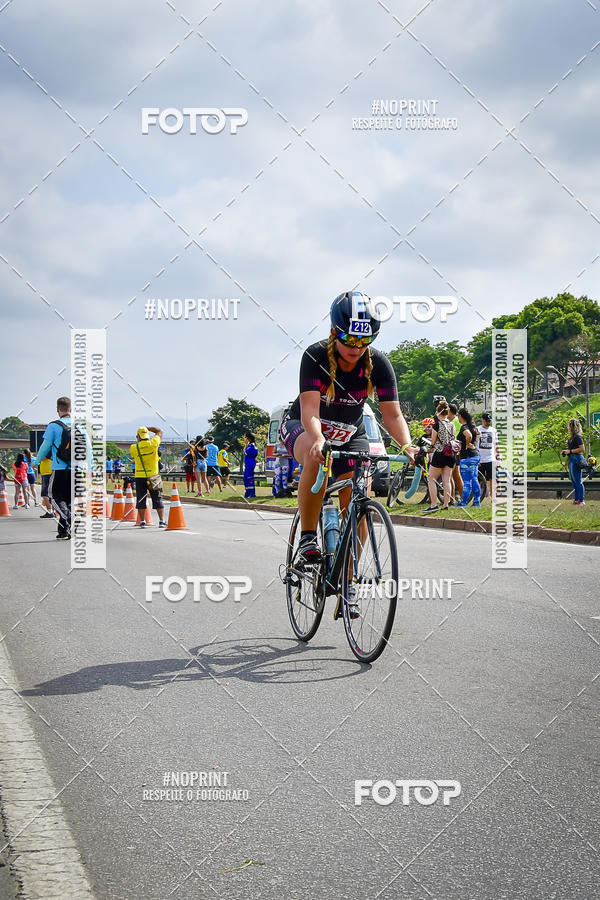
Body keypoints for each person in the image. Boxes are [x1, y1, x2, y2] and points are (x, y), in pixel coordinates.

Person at [279, 290, 415, 583]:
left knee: (358, 498)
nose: (357, 347)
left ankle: (348, 578)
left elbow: (392, 415)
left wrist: (408, 445)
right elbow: (310, 412)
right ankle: (306, 538)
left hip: (351, 433)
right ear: (333, 332)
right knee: (318, 459)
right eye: (350, 339)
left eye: (365, 341)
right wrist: (317, 438)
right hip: (305, 427)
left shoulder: (378, 363)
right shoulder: (315, 356)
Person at [34, 396, 73, 538]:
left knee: (54, 497)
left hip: (60, 468)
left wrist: (37, 461)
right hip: (77, 469)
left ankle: (69, 517)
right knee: (68, 500)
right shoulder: (80, 426)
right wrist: (91, 468)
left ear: (58, 409)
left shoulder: (54, 425)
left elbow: (45, 446)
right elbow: (88, 448)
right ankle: (63, 530)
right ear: (71, 409)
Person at [130, 426, 166, 526]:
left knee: (141, 498)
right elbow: (160, 431)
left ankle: (142, 521)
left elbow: (133, 456)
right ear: (147, 435)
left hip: (139, 476)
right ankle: (161, 521)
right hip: (153, 476)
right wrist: (148, 428)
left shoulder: (134, 447)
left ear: (138, 436)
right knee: (157, 498)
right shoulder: (153, 443)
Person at [425, 400, 456, 513]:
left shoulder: (436, 425)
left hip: (439, 453)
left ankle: (433, 504)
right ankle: (446, 503)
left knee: (431, 479)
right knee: (446, 479)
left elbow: (433, 442)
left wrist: (430, 445)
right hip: (450, 454)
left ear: (438, 412)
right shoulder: (451, 425)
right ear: (447, 412)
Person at [455, 408, 481, 507]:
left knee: (467, 481)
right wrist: (474, 444)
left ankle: (463, 502)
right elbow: (478, 435)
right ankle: (476, 502)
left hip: (467, 457)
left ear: (461, 416)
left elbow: (468, 435)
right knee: (474, 479)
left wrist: (467, 444)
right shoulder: (474, 427)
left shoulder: (464, 427)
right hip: (475, 455)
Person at [562, 417, 586, 505]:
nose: (569, 427)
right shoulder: (572, 437)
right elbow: (570, 449)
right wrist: (567, 459)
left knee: (578, 480)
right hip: (572, 459)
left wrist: (570, 451)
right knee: (573, 481)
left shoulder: (578, 437)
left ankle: (581, 500)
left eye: (570, 425)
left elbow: (582, 449)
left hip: (577, 459)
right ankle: (576, 500)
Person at [478, 412, 500, 500]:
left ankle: (493, 496)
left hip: (490, 458)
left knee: (492, 478)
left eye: (489, 421)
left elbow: (496, 444)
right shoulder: (477, 429)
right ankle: (479, 496)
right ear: (482, 420)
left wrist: (498, 455)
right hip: (480, 458)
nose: (488, 423)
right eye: (486, 421)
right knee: (479, 479)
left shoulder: (493, 430)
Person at [448, 403, 463, 503]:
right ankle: (463, 498)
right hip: (456, 451)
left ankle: (452, 499)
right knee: (456, 477)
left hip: (453, 451)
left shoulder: (454, 422)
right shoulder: (456, 421)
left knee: (450, 477)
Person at [38, 454, 54, 518]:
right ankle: (52, 511)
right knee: (50, 494)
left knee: (45, 494)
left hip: (47, 473)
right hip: (48, 472)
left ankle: (50, 512)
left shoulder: (47, 450)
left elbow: (42, 457)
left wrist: (37, 459)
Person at [243, 432, 258, 497]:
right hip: (249, 462)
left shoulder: (251, 445)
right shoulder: (252, 445)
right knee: (246, 477)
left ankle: (251, 493)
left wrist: (245, 445)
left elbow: (245, 452)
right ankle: (247, 492)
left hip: (250, 462)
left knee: (249, 477)